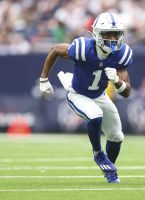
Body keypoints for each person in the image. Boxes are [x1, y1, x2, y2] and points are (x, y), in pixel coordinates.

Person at [39, 12, 133, 183]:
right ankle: (98, 154)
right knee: (95, 114)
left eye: (116, 34)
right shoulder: (83, 48)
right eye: (107, 34)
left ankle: (110, 171)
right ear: (96, 33)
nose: (112, 39)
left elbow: (127, 93)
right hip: (78, 94)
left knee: (117, 136)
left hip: (99, 95)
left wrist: (118, 81)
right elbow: (55, 50)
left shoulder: (122, 54)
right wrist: (44, 78)